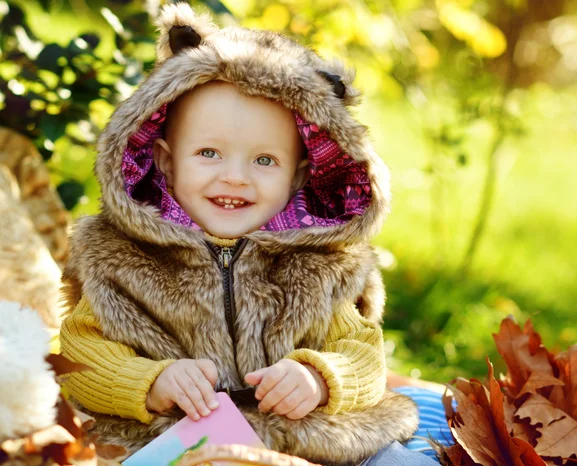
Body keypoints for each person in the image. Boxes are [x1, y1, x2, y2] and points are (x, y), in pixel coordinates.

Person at [59, 3, 440, 465]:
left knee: (399, 462)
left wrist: (320, 379)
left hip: (309, 441)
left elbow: (362, 355)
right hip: (177, 441)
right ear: (165, 160)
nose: (235, 177)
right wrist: (149, 381)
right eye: (208, 153)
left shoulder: (325, 265)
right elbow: (82, 356)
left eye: (264, 161)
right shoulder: (118, 260)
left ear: (298, 177)